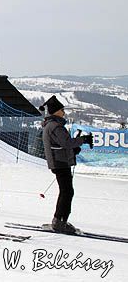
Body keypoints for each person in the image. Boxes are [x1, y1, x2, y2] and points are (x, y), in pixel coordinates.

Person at [40, 95, 93, 234]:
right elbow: (66, 143)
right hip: (60, 163)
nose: (64, 112)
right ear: (56, 111)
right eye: (62, 110)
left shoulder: (51, 125)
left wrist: (73, 149)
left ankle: (59, 219)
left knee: (66, 191)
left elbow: (62, 145)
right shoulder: (55, 126)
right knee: (67, 192)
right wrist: (82, 140)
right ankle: (60, 221)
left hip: (59, 161)